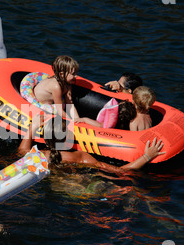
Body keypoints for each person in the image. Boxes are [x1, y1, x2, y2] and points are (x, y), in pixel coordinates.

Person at [18, 114, 165, 171]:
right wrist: (147, 156)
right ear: (66, 138)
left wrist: (33, 127)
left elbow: (22, 151)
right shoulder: (81, 156)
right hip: (79, 190)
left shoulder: (41, 155)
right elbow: (120, 171)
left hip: (57, 188)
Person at [32, 55, 80, 120]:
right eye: (73, 74)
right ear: (62, 74)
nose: (76, 76)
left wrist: (77, 118)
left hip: (51, 103)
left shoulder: (68, 85)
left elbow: (70, 104)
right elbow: (60, 111)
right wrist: (71, 121)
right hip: (38, 104)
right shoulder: (56, 86)